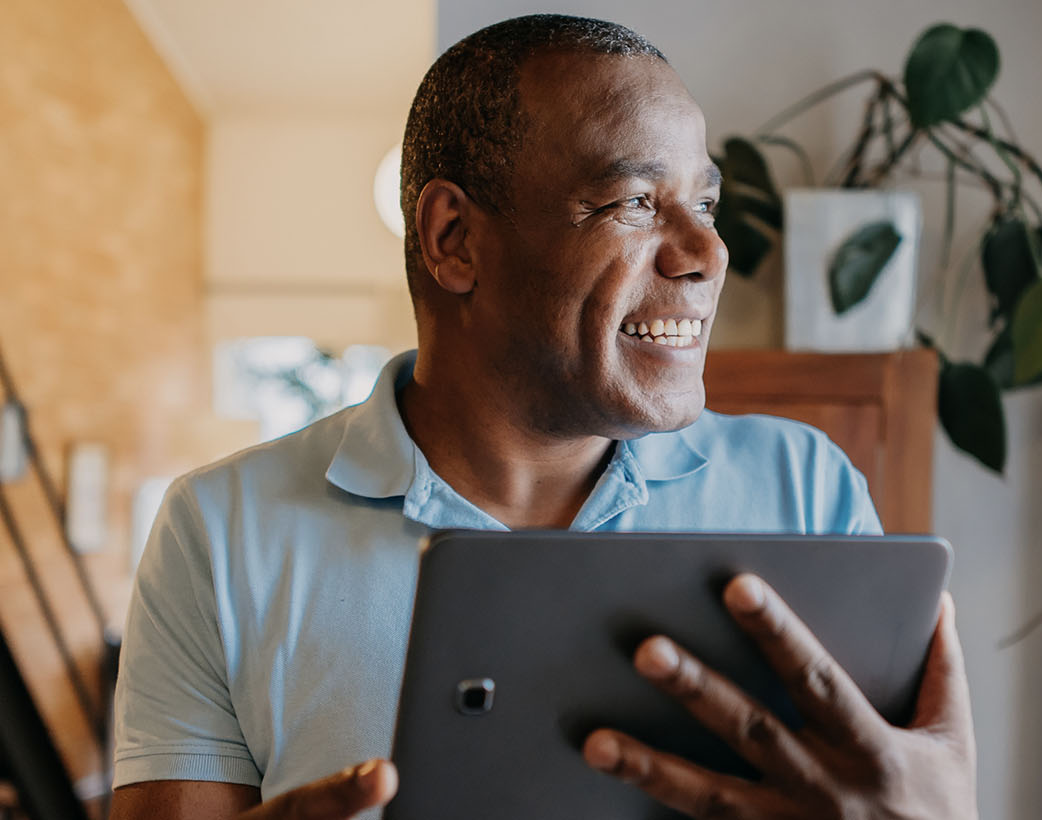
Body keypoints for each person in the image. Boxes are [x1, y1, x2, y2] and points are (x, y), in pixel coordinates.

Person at [109, 14, 978, 820]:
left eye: (704, 203)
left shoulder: (808, 490)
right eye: (636, 201)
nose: (709, 253)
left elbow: (905, 787)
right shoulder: (218, 531)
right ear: (453, 238)